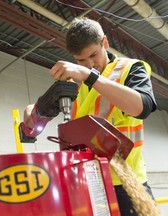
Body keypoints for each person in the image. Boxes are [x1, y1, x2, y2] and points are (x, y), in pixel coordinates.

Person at [24, 17, 157, 215]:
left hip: (128, 184)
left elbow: (142, 107)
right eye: (81, 61)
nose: (90, 64)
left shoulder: (129, 69)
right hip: (91, 184)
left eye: (94, 55)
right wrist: (34, 111)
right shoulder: (76, 85)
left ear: (105, 42)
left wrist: (89, 75)